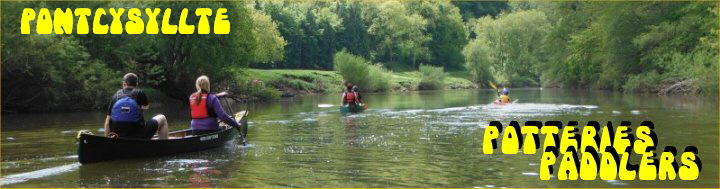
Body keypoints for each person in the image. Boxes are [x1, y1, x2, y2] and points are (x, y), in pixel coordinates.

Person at [104, 73, 169, 139]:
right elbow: (146, 107)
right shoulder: (139, 93)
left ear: (124, 83)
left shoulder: (115, 96)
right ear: (137, 84)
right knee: (162, 118)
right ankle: (163, 146)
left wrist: (108, 140)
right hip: (139, 136)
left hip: (117, 136)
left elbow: (107, 122)